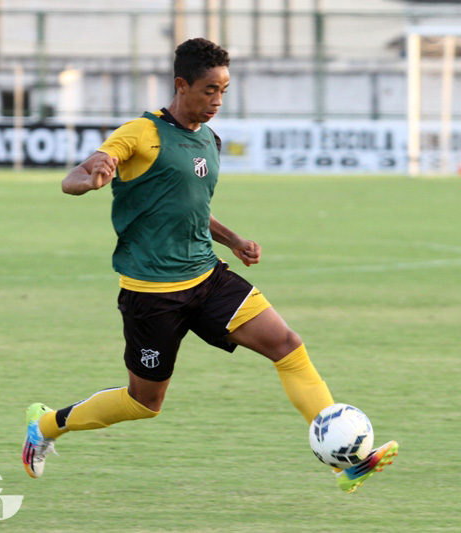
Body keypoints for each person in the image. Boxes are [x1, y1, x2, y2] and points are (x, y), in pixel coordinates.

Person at [22, 38, 398, 493]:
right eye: (208, 90)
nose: (217, 100)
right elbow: (73, 178)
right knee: (144, 403)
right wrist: (94, 175)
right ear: (181, 85)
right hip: (152, 294)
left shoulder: (208, 138)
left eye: (223, 90)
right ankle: (45, 426)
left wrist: (233, 239)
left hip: (207, 275)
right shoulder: (142, 133)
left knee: (287, 345)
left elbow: (190, 207)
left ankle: (342, 461)